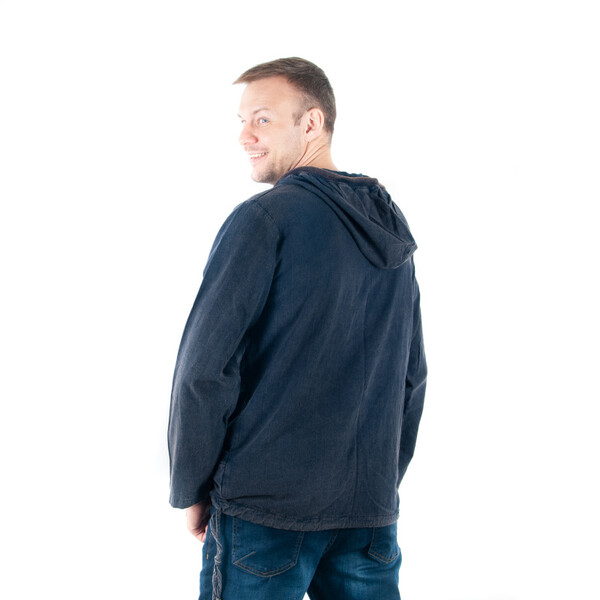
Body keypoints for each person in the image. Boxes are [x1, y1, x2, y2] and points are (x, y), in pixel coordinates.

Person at [168, 57, 427, 600]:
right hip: (368, 514)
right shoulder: (389, 225)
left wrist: (190, 485)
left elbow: (204, 372)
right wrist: (376, 484)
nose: (244, 135)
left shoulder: (265, 219)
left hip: (266, 512)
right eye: (242, 120)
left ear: (311, 123)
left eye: (262, 119)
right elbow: (412, 377)